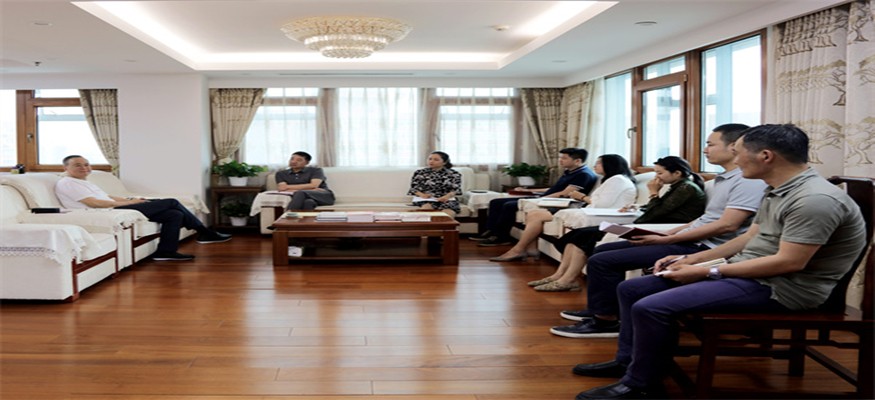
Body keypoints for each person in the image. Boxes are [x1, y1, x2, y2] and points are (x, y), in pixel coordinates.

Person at [572, 124, 867, 400]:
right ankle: (629, 362)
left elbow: (789, 264)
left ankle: (641, 385)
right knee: (631, 289)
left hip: (783, 288)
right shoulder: (777, 188)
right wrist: (691, 259)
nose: (735, 161)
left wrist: (707, 271)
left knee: (651, 306)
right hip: (752, 273)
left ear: (765, 156)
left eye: (739, 153)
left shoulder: (814, 199)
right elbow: (748, 237)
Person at [551, 123, 767, 338]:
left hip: (706, 246)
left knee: (603, 260)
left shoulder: (746, 181)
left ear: (733, 146)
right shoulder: (723, 179)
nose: (705, 150)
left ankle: (605, 321)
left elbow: (727, 225)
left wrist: (667, 240)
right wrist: (669, 234)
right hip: (691, 239)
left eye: (710, 144)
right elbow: (705, 218)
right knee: (600, 251)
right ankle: (604, 310)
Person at [530, 156, 706, 292]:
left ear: (677, 173)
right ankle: (559, 275)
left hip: (660, 227)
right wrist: (637, 206)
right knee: (578, 234)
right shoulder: (678, 186)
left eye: (660, 173)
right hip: (649, 222)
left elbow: (657, 213)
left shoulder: (686, 188)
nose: (656, 177)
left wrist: (653, 193)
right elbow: (656, 209)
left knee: (584, 235)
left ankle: (568, 280)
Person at [55, 155, 231, 261]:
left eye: (86, 164)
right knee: (171, 202)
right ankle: (204, 232)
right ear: (66, 168)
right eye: (78, 165)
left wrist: (133, 199)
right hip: (107, 213)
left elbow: (107, 197)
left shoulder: (84, 182)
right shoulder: (67, 183)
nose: (84, 167)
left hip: (115, 208)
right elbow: (94, 203)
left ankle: (165, 252)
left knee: (173, 214)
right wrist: (129, 204)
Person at [490, 154, 638, 264]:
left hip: (598, 214)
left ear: (610, 165)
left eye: (599, 163)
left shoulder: (617, 180)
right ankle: (530, 249)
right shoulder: (611, 179)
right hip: (588, 209)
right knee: (533, 213)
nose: (595, 165)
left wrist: (581, 196)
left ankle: (519, 250)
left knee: (535, 215)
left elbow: (600, 205)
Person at [472, 148, 598, 247]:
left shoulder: (583, 175)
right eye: (560, 157)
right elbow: (554, 188)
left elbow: (564, 193)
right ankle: (491, 230)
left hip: (556, 202)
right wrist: (528, 190)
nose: (560, 161)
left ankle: (501, 237)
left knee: (508, 205)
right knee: (496, 202)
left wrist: (540, 199)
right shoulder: (570, 172)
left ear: (577, 161)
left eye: (564, 158)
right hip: (546, 197)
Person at [408, 151, 462, 217]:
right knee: (426, 208)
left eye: (436, 160)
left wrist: (447, 196)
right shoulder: (420, 172)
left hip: (447, 199)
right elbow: (414, 188)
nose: (431, 161)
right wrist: (422, 195)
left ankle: (445, 223)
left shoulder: (454, 173)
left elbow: (456, 189)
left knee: (448, 212)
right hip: (427, 199)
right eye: (430, 159)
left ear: (444, 162)